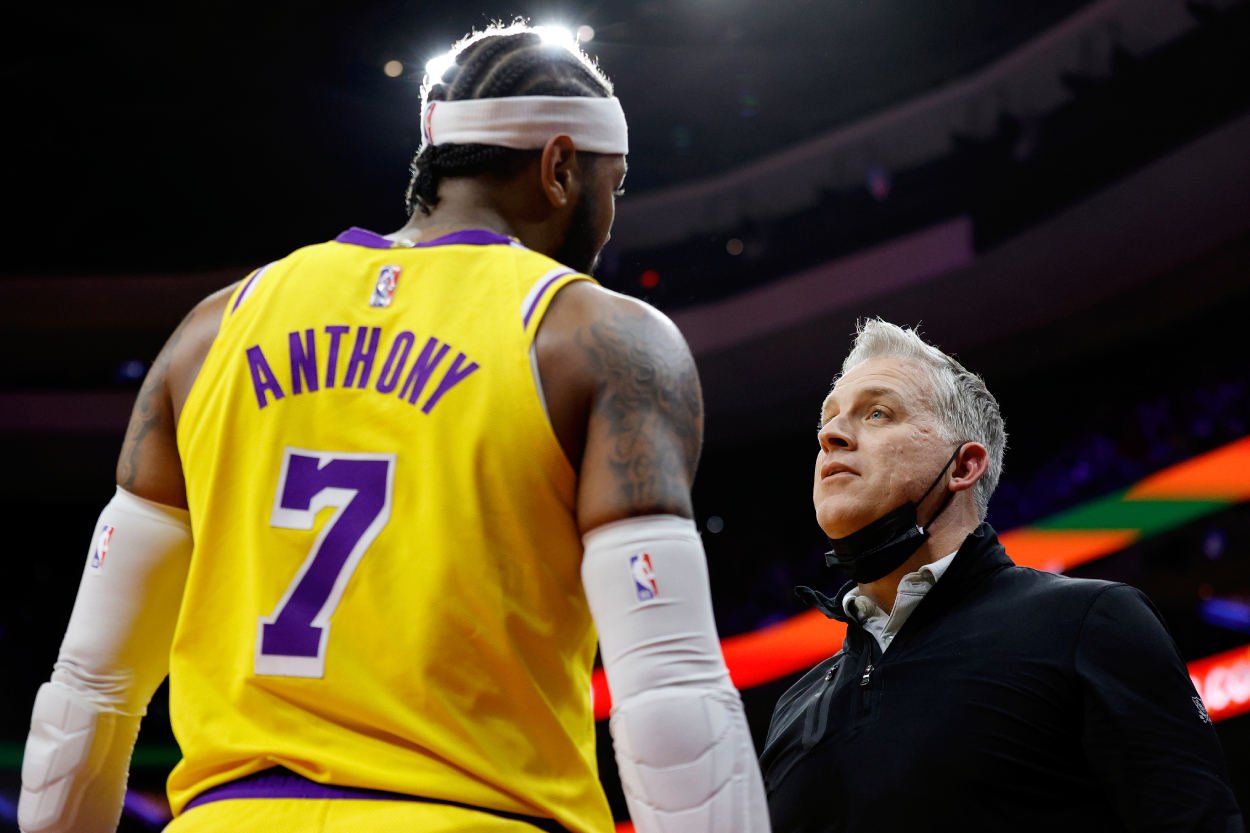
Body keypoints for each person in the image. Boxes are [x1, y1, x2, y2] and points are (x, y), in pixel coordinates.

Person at [18, 25, 769, 833]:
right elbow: (669, 687)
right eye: (613, 185)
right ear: (560, 168)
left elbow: (90, 686)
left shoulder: (213, 327)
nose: (612, 215)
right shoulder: (595, 335)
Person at [761, 319, 1242, 832]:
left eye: (878, 413)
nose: (830, 435)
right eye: (828, 421)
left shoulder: (1086, 622)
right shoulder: (794, 705)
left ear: (963, 466)